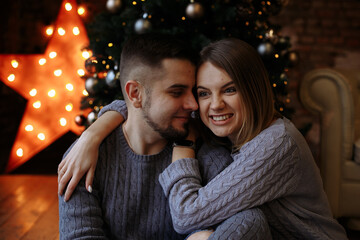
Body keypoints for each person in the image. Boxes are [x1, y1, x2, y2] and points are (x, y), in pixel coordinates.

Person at [58, 34, 271, 240]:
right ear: (135, 94)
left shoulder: (204, 151)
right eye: (177, 92)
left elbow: (250, 220)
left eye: (194, 91)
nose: (194, 105)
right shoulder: (84, 160)